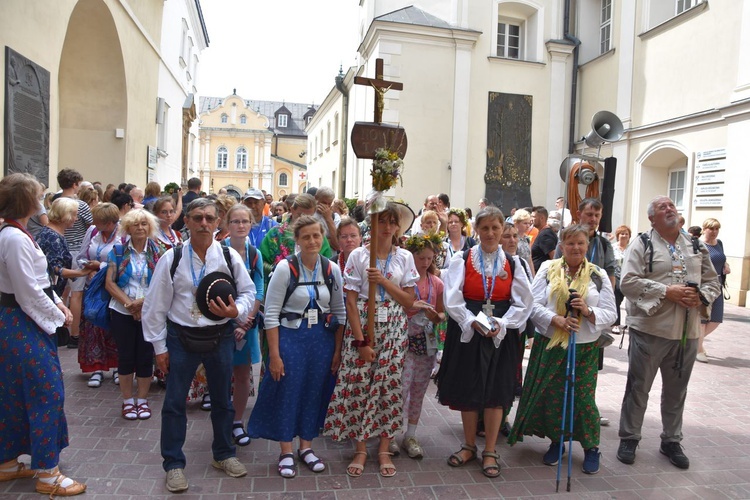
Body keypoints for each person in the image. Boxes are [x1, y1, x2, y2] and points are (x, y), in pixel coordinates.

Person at [141, 198, 256, 493]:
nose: (203, 223)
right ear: (188, 222)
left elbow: (248, 291)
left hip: (220, 337)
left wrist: (237, 312)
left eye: (209, 218)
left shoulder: (230, 257)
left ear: (217, 222)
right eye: (197, 218)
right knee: (175, 403)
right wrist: (159, 348)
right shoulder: (173, 258)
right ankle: (174, 464)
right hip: (181, 338)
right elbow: (154, 306)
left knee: (222, 401)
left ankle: (224, 454)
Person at [616, 196, 720, 470]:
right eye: (662, 207)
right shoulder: (642, 243)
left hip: (687, 332)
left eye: (672, 205)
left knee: (677, 391)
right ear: (652, 219)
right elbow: (628, 282)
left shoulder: (695, 244)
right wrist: (667, 291)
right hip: (650, 331)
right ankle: (630, 437)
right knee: (639, 388)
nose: (670, 209)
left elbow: (712, 281)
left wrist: (701, 296)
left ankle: (671, 440)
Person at [0, 173, 86, 496]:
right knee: (45, 392)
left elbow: (35, 287)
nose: (43, 201)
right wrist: (60, 314)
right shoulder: (16, 238)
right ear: (26, 201)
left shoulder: (14, 234)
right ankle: (48, 473)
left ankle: (7, 461)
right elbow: (28, 292)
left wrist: (54, 308)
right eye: (38, 195)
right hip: (22, 322)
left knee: (13, 393)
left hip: (15, 321)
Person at [509, 224, 617, 475]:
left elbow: (611, 313)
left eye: (580, 243)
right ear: (561, 246)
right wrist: (555, 319)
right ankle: (557, 442)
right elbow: (532, 305)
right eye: (570, 243)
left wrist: (588, 311)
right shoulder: (548, 269)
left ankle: (591, 447)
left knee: (583, 398)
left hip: (584, 347)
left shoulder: (597, 274)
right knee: (554, 395)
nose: (575, 248)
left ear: (587, 245)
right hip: (550, 343)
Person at [435, 206, 533, 479]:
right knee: (469, 388)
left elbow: (523, 302)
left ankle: (489, 450)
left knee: (496, 391)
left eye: (495, 228)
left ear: (503, 231)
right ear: (476, 230)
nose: (490, 233)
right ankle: (468, 445)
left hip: (501, 334)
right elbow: (452, 299)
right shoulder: (462, 259)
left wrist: (502, 324)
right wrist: (470, 321)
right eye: (485, 228)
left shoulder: (514, 264)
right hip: (469, 330)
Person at [324, 203, 418, 478]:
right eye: (381, 222)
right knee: (361, 385)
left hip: (394, 327)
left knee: (389, 387)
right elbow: (350, 302)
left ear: (398, 227)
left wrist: (385, 282)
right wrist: (361, 341)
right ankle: (361, 448)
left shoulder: (405, 258)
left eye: (391, 222)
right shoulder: (358, 256)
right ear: (372, 225)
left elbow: (409, 300)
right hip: (364, 323)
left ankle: (384, 449)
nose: (387, 227)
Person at [247, 215, 345, 477]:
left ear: (323, 237)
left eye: (316, 235)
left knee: (314, 391)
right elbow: (271, 315)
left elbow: (339, 311)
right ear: (297, 240)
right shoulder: (284, 268)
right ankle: (286, 450)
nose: (312, 241)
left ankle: (307, 446)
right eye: (306, 237)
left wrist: (337, 351)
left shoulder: (331, 269)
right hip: (291, 339)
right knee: (288, 391)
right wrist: (274, 356)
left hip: (321, 340)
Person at [104, 209, 162, 421]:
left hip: (149, 310)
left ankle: (142, 399)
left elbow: (163, 283)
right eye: (135, 224)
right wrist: (129, 304)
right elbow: (109, 282)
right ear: (127, 228)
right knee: (126, 356)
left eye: (144, 224)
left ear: (150, 227)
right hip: (121, 310)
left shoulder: (159, 252)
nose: (140, 228)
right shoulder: (118, 251)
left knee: (146, 356)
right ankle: (128, 400)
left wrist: (142, 304)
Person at [396, 232, 445, 459]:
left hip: (426, 342)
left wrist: (437, 316)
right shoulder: (403, 281)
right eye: (420, 257)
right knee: (400, 389)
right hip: (403, 340)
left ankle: (411, 434)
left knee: (418, 389)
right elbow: (396, 307)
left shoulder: (437, 283)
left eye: (428, 258)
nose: (425, 263)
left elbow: (442, 312)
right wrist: (413, 306)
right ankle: (391, 433)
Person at [222, 204, 264, 445]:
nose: (240, 225)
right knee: (220, 372)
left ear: (251, 224)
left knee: (242, 373)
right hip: (221, 322)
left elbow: (259, 289)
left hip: (246, 322)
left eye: (244, 221)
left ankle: (237, 421)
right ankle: (222, 418)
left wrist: (247, 322)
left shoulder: (254, 254)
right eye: (235, 221)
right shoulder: (218, 251)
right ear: (227, 225)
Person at [76, 202, 124, 388]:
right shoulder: (93, 232)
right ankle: (96, 367)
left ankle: (119, 367)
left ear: (110, 223)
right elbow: (81, 256)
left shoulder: (122, 235)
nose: (95, 225)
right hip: (94, 287)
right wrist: (87, 267)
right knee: (94, 325)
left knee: (116, 327)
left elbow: (125, 261)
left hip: (116, 287)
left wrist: (100, 267)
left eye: (99, 222)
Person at [55, 168, 94, 349]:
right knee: (76, 294)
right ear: (75, 184)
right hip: (76, 249)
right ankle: (75, 334)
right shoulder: (81, 205)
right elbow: (91, 225)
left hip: (60, 247)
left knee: (61, 293)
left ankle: (59, 327)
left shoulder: (55, 200)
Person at [260, 194, 333, 284]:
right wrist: (279, 270)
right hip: (280, 286)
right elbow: (261, 262)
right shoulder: (275, 234)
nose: (304, 220)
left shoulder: (318, 237)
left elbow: (327, 263)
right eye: (300, 215)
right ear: (292, 210)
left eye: (309, 216)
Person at [36, 198, 95, 297]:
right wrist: (81, 273)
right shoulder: (53, 238)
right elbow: (55, 269)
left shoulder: (51, 232)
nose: (76, 219)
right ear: (66, 215)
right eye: (75, 215)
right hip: (49, 293)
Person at [697, 218, 729, 363]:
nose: (714, 232)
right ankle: (698, 349)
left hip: (718, 285)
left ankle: (697, 342)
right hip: (704, 286)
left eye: (717, 229)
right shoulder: (698, 244)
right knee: (703, 319)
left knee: (716, 319)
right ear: (704, 229)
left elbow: (721, 259)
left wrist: (726, 266)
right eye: (712, 229)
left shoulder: (719, 243)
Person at [611, 225, 632, 334]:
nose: (624, 236)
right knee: (616, 301)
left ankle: (630, 323)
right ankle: (615, 324)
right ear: (617, 236)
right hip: (616, 278)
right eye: (621, 234)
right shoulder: (612, 247)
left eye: (626, 234)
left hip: (629, 278)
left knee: (631, 302)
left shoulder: (632, 248)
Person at [530, 206, 557, 273]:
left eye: (533, 217)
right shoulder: (544, 232)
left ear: (542, 218)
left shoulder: (545, 235)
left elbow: (554, 257)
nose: (531, 219)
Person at [314, 186, 341, 251]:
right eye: (323, 202)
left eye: (329, 203)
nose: (326, 206)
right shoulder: (308, 214)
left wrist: (328, 218)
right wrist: (328, 240)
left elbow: (337, 245)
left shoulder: (335, 217)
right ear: (316, 198)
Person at [512, 208, 535, 276]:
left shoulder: (527, 238)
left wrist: (533, 276)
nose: (528, 226)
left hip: (527, 272)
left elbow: (529, 259)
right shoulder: (513, 238)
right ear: (516, 223)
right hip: (517, 272)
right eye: (525, 223)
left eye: (529, 223)